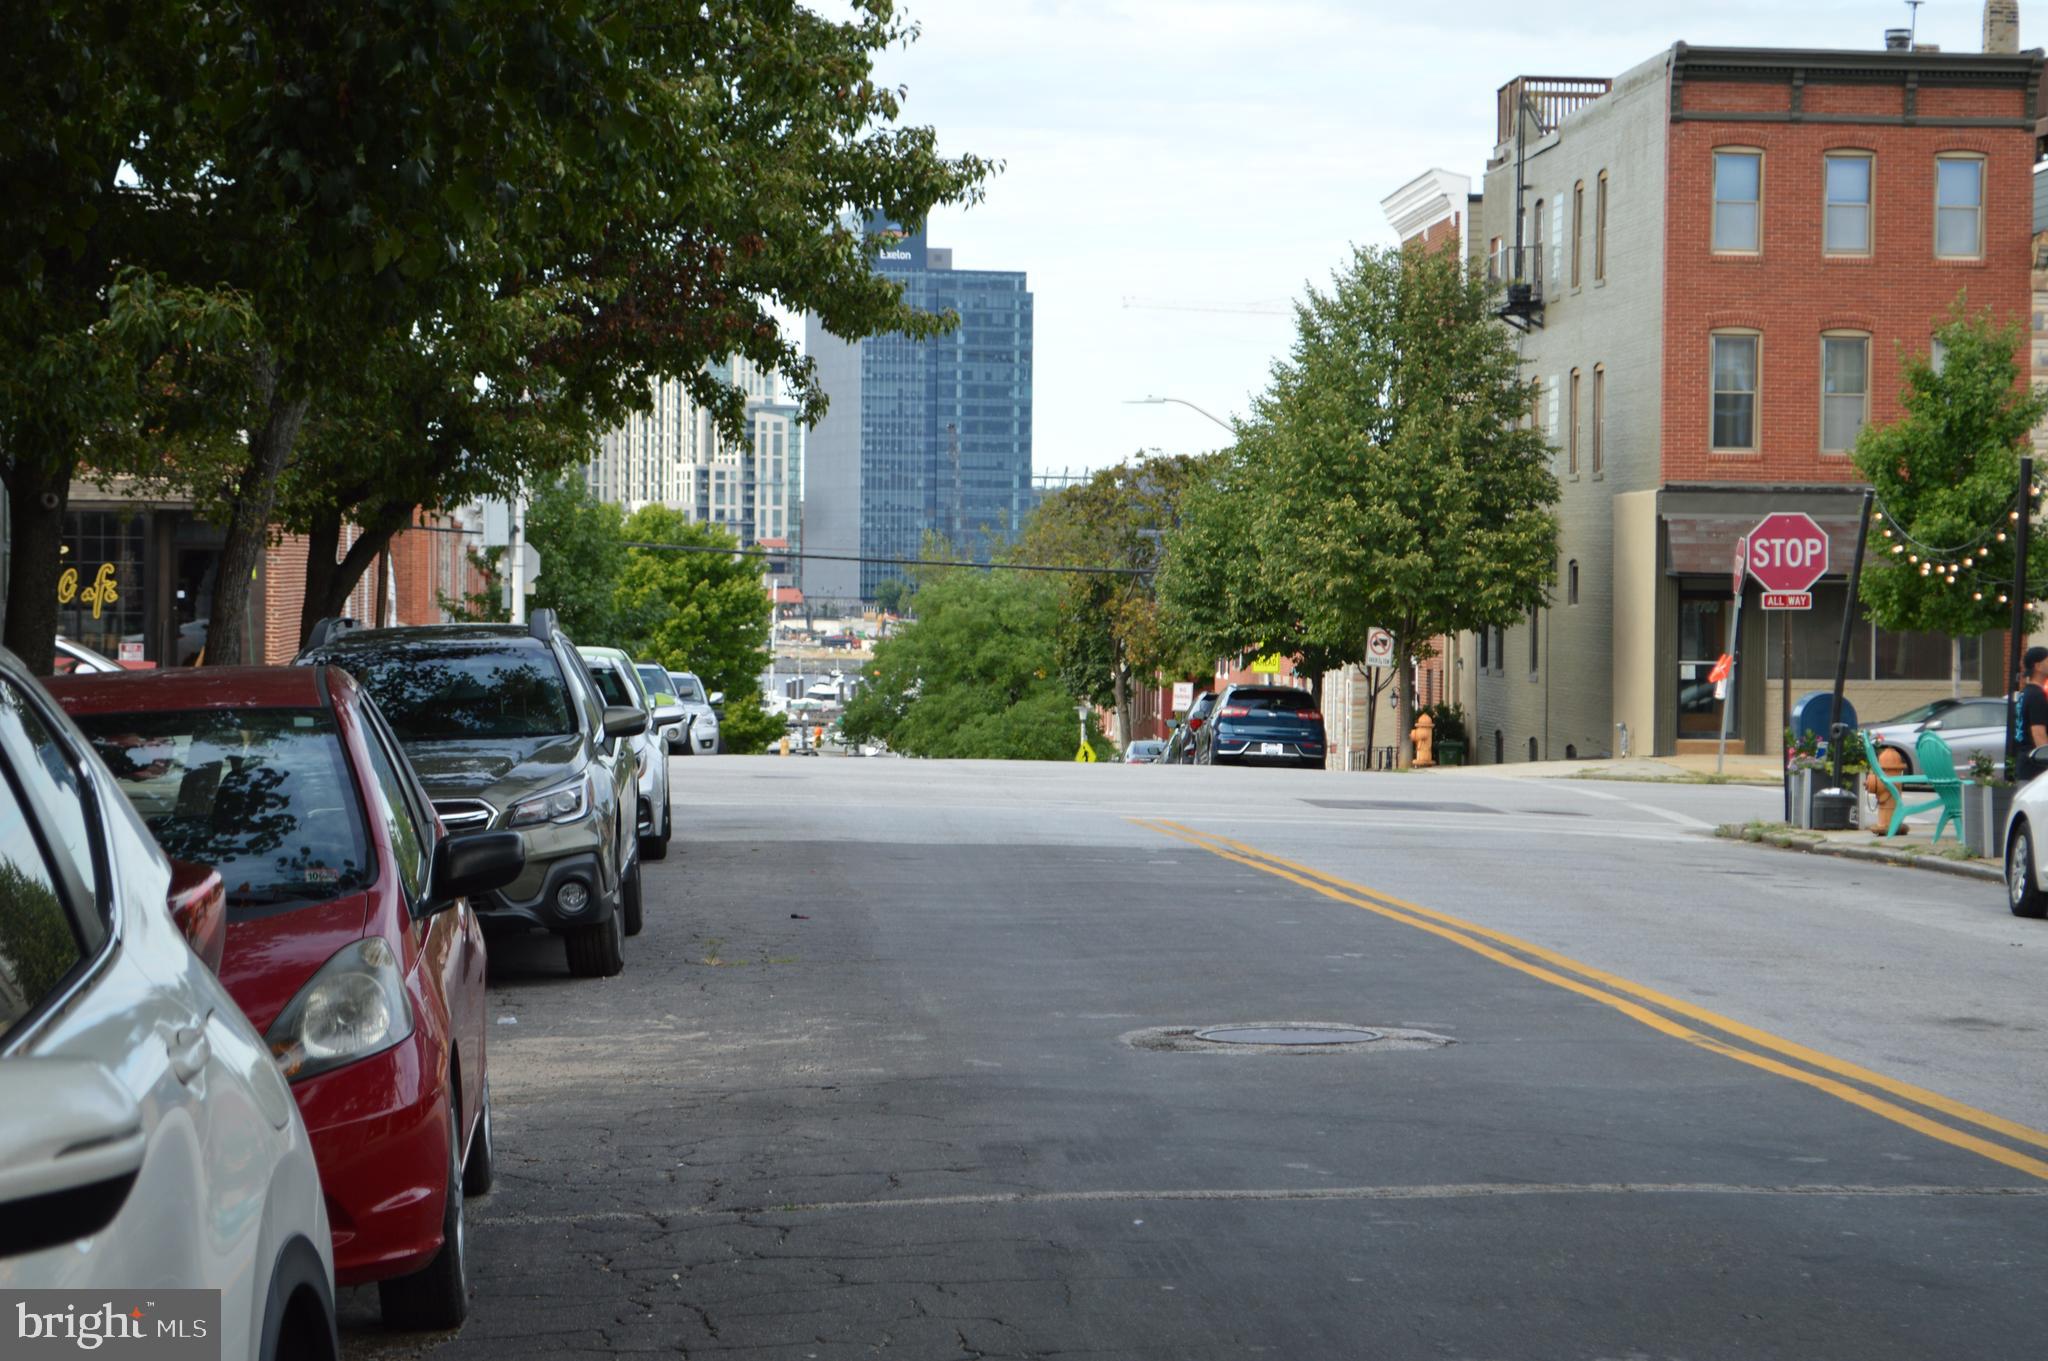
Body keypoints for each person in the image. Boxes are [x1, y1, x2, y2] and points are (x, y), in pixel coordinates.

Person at [2013, 646, 2048, 770]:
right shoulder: (2036, 695)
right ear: (2037, 666)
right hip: (2035, 769)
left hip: (2024, 763)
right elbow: (2038, 733)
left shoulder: (2025, 693)